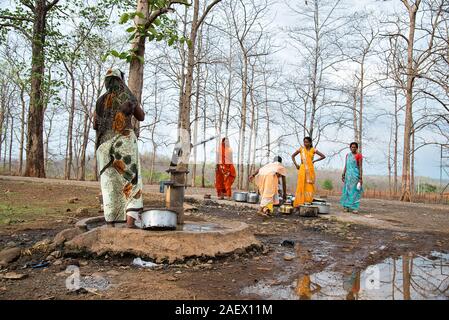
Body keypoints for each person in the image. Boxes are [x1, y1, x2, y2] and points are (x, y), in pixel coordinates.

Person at [93, 68, 145, 228]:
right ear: (121, 80)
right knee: (131, 181)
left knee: (109, 185)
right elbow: (141, 116)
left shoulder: (100, 101)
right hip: (124, 144)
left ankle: (110, 225)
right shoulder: (127, 97)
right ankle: (130, 225)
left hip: (103, 147)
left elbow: (95, 124)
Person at [292, 137, 326, 207]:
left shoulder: (313, 150)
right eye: (304, 142)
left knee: (309, 185)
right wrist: (296, 165)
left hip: (310, 170)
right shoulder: (301, 149)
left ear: (310, 143)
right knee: (301, 184)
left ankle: (308, 201)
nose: (305, 143)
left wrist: (314, 161)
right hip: (302, 169)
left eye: (307, 142)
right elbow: (293, 156)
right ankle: (300, 202)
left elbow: (323, 156)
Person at [340, 142, 363, 214]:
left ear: (357, 148)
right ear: (350, 148)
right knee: (346, 191)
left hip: (355, 176)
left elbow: (360, 167)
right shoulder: (348, 155)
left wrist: (360, 177)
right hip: (348, 176)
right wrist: (343, 174)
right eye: (352, 147)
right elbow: (346, 165)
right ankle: (346, 206)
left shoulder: (359, 155)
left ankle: (354, 208)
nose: (353, 148)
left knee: (355, 192)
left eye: (354, 147)